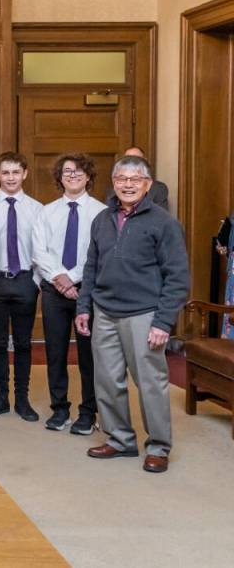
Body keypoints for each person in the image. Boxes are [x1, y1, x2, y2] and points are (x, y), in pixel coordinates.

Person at [76, 155, 189, 474]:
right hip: (105, 311)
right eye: (122, 179)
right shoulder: (102, 219)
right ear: (113, 183)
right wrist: (84, 307)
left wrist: (163, 320)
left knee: (151, 382)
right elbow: (91, 267)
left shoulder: (164, 222)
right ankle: (120, 439)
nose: (128, 185)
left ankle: (158, 446)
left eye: (135, 179)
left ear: (148, 184)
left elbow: (178, 276)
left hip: (144, 314)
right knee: (108, 380)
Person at [32, 154, 107, 435]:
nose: (72, 175)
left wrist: (72, 278)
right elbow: (39, 250)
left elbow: (97, 253)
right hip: (54, 291)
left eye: (78, 171)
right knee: (55, 351)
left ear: (88, 176)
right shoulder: (46, 212)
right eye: (66, 171)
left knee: (88, 356)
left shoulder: (101, 213)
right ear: (59, 177)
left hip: (87, 291)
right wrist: (60, 279)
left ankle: (88, 412)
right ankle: (59, 408)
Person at [0, 152, 44, 422]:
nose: (10, 178)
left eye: (15, 172)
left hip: (25, 281)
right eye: (5, 173)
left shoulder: (37, 210)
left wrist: (36, 282)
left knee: (22, 343)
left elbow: (42, 250)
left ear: (24, 174)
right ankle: (0, 398)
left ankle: (22, 398)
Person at [104, 146, 169, 211]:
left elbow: (160, 216)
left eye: (136, 160)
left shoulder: (158, 188)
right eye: (127, 160)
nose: (131, 163)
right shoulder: (114, 189)